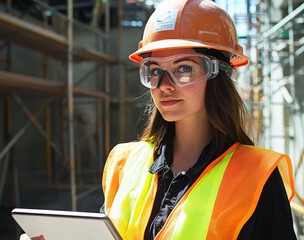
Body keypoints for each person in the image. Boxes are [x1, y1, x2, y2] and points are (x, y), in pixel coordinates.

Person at [101, 0, 296, 239]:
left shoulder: (257, 176)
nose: (164, 85)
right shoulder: (124, 164)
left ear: (218, 75)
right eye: (154, 70)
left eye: (184, 69)